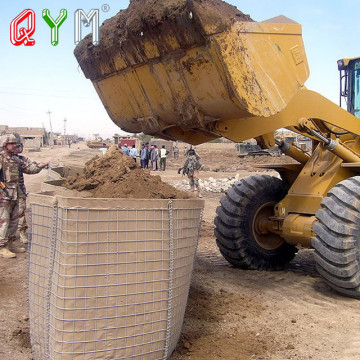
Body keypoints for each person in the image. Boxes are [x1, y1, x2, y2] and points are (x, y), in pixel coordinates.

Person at [0, 134, 49, 258]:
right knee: (4, 222)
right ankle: (2, 247)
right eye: (12, 144)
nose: (15, 146)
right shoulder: (1, 159)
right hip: (3, 196)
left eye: (15, 143)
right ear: (5, 145)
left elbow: (30, 169)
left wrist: (42, 165)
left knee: (14, 222)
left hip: (16, 194)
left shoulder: (16, 159)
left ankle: (10, 244)